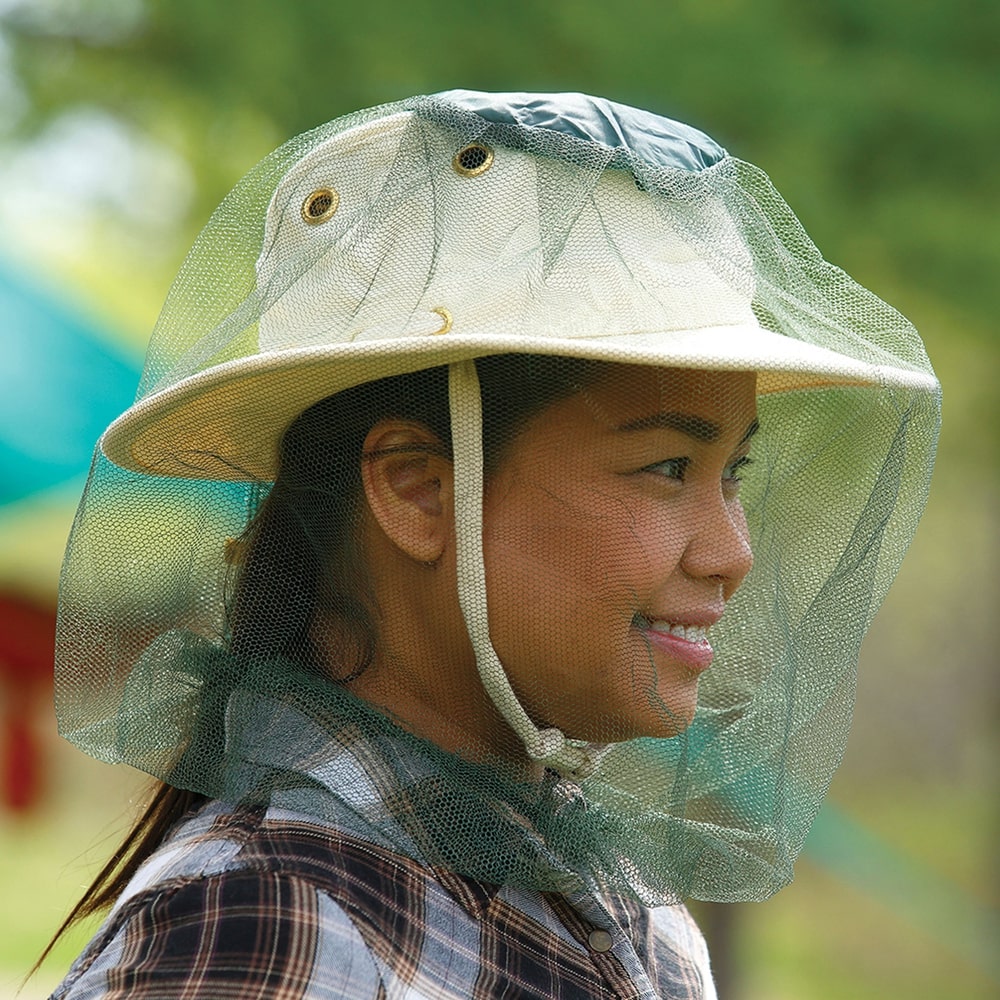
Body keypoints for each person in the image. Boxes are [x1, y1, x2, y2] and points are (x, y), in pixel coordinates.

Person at [44, 90, 939, 998]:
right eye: (667, 467)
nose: (730, 552)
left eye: (731, 476)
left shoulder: (629, 911)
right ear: (418, 490)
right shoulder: (268, 925)